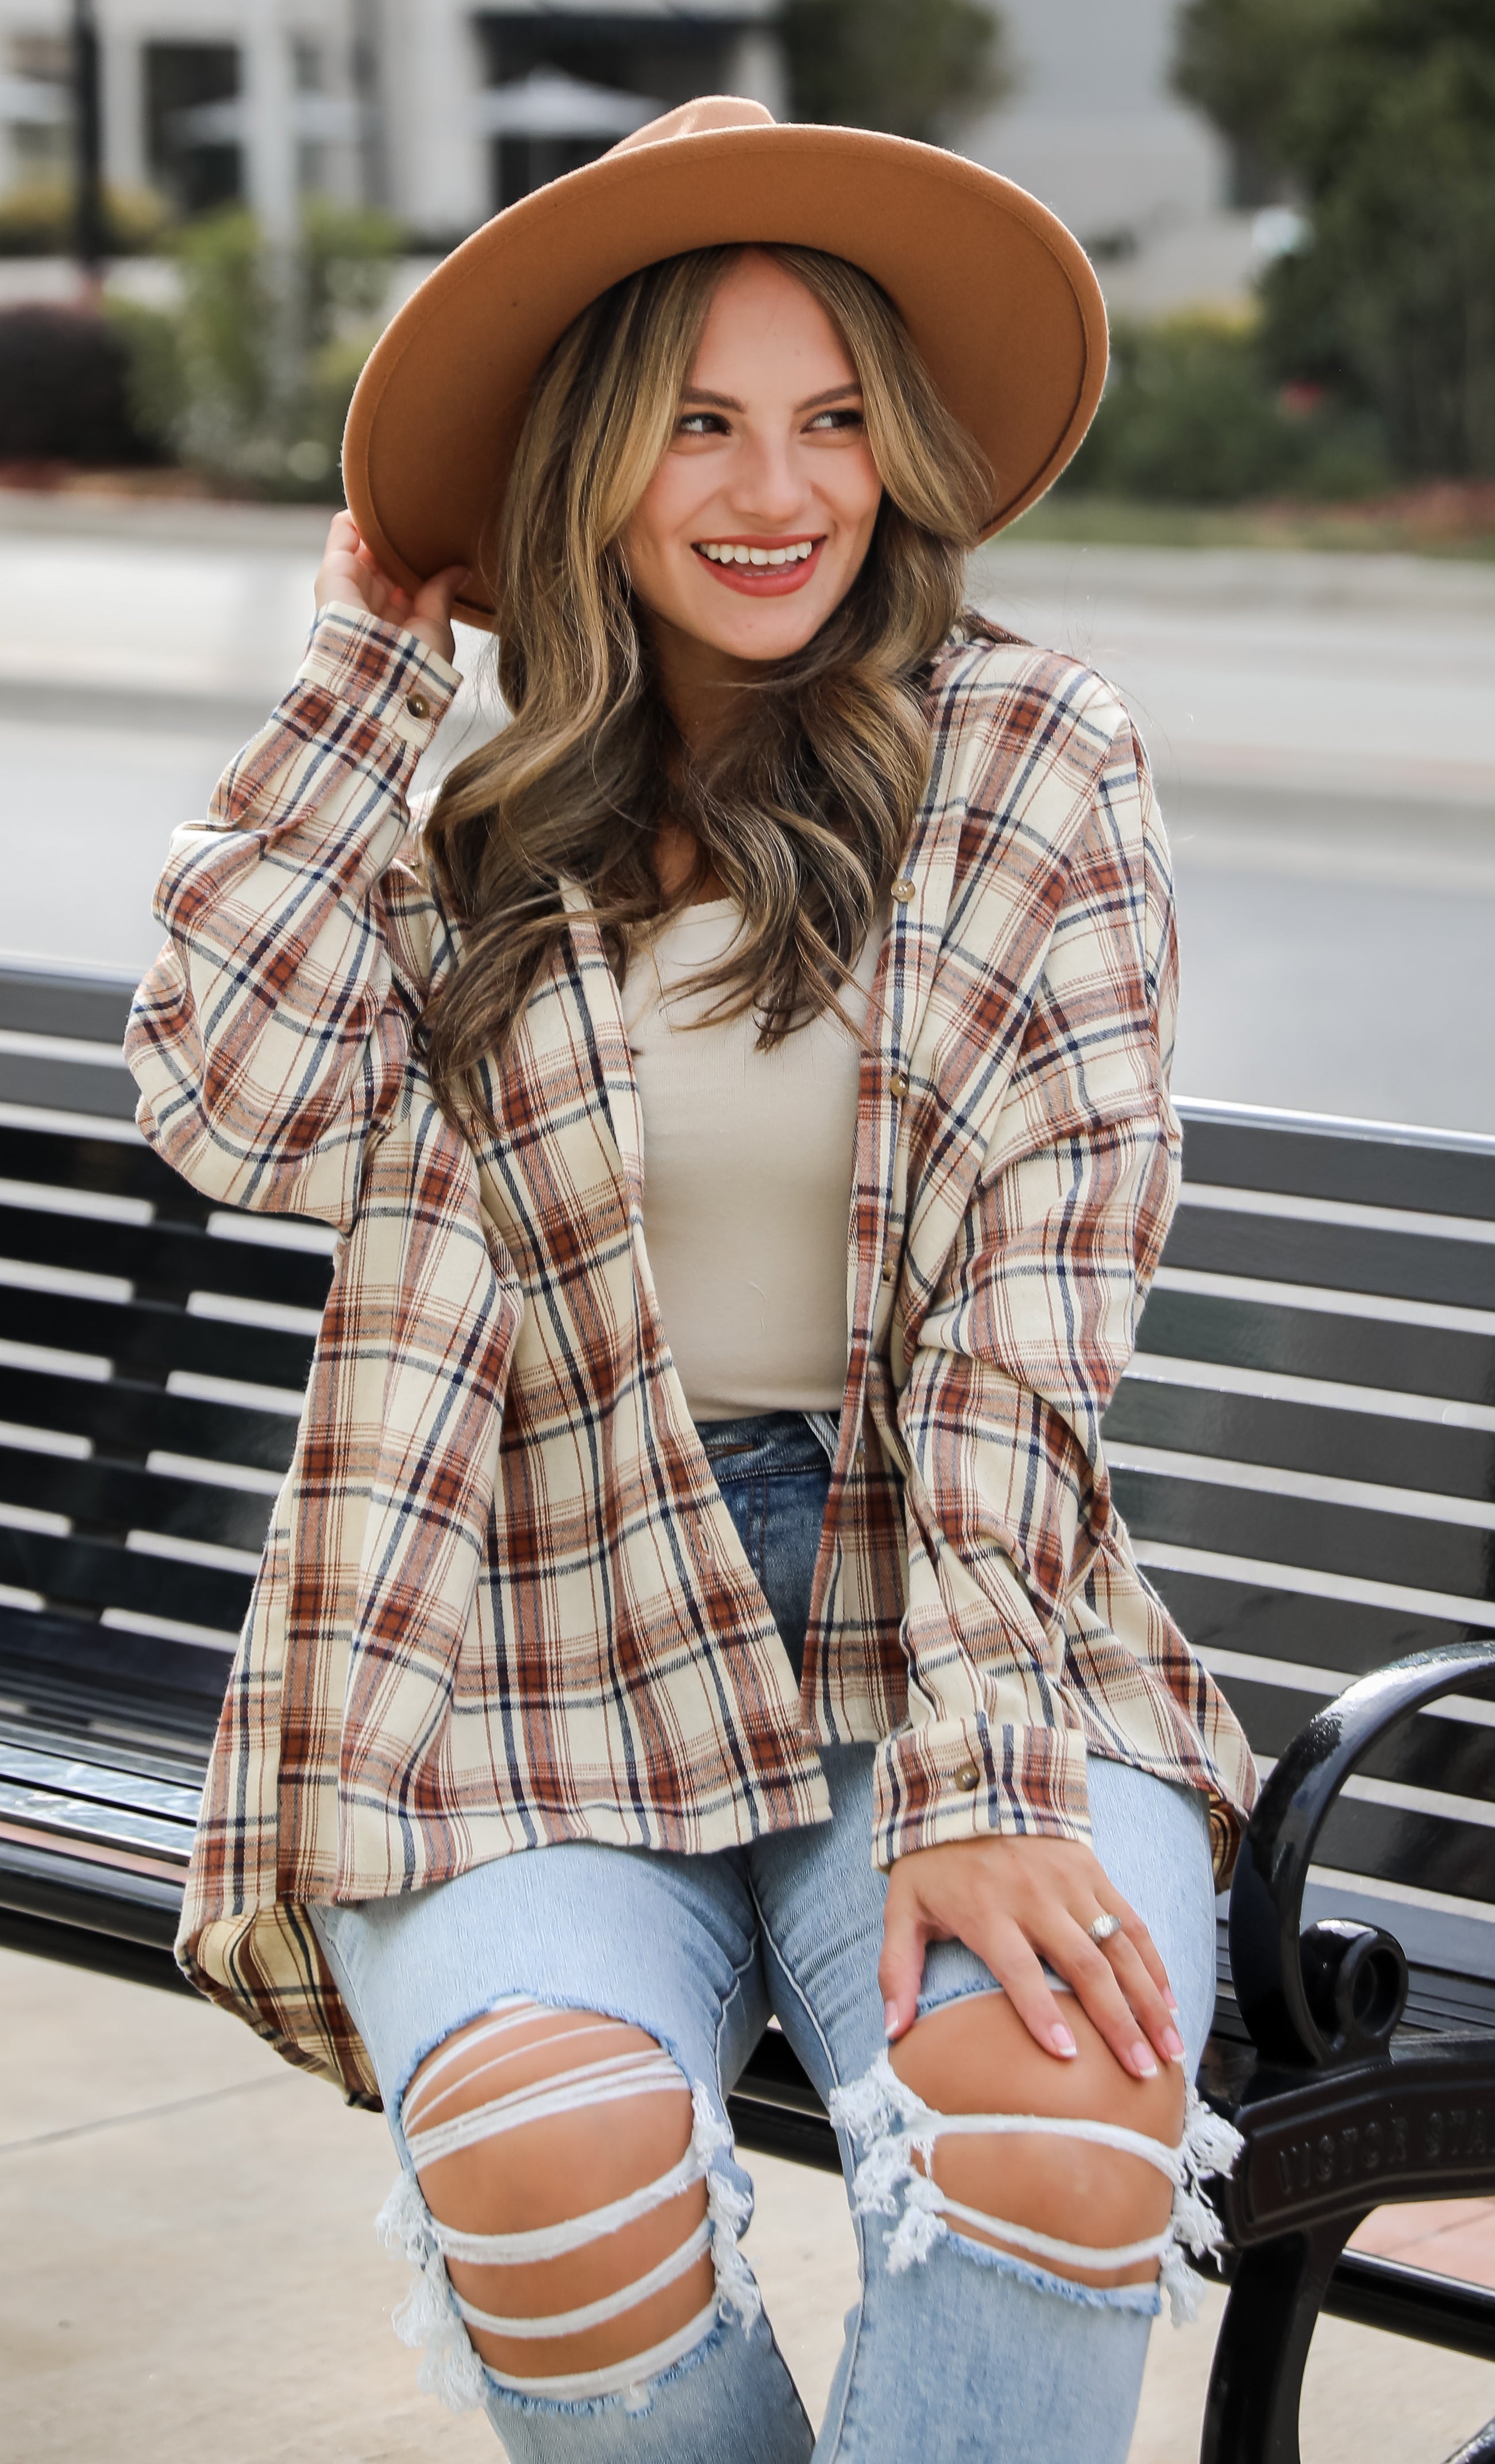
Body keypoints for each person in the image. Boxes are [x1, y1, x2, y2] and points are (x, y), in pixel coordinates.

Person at [126, 97, 1256, 2464]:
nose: (781, 491)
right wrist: (361, 671)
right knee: (550, 2169)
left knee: (1054, 2105)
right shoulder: (466, 816)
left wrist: (970, 1770)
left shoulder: (1034, 760)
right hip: (513, 1615)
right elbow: (234, 1103)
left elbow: (1030, 1322)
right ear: (589, 467)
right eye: (700, 425)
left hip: (937, 1593)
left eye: (837, 420)